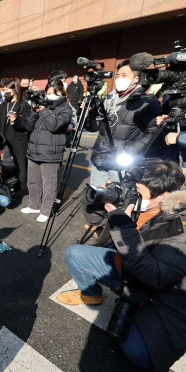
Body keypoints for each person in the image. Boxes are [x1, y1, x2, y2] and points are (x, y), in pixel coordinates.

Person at [56, 159, 186, 371]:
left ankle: (137, 306)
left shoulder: (181, 226)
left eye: (138, 191)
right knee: (75, 253)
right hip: (126, 268)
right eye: (133, 188)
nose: (134, 194)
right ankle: (91, 293)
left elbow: (155, 275)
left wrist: (124, 227)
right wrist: (101, 201)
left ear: (164, 195)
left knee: (136, 353)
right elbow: (96, 221)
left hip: (158, 293)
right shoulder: (137, 201)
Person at [85, 60, 162, 186]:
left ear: (136, 79)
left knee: (117, 201)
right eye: (117, 75)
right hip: (100, 157)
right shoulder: (109, 99)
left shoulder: (147, 102)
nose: (119, 79)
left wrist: (131, 151)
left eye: (124, 75)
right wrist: (90, 112)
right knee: (95, 198)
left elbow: (153, 132)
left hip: (121, 163)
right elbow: (93, 127)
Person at [22, 79, 73, 222]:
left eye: (53, 93)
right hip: (34, 150)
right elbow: (28, 126)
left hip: (51, 153)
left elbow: (54, 126)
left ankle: (46, 211)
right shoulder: (42, 105)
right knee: (32, 182)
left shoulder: (65, 108)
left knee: (49, 185)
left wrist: (43, 111)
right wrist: (34, 110)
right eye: (47, 93)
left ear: (60, 92)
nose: (49, 96)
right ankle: (34, 205)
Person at [0, 78, 31, 193]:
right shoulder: (2, 105)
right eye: (3, 90)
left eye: (7, 90)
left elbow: (26, 125)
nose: (5, 92)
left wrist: (16, 121)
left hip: (19, 140)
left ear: (15, 90)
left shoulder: (24, 105)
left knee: (19, 164)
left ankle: (22, 187)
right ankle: (7, 186)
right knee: (5, 163)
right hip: (4, 139)